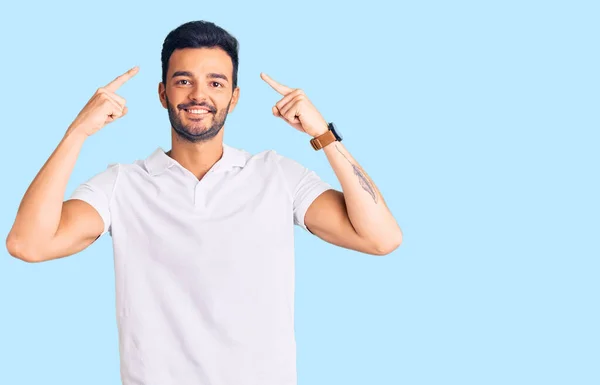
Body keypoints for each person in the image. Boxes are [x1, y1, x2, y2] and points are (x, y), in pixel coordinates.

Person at [6, 20, 402, 385]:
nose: (199, 95)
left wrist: (323, 134)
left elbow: (381, 238)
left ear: (234, 96)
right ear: (162, 94)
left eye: (216, 83)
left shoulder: (276, 175)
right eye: (183, 81)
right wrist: (77, 132)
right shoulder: (122, 185)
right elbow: (28, 244)